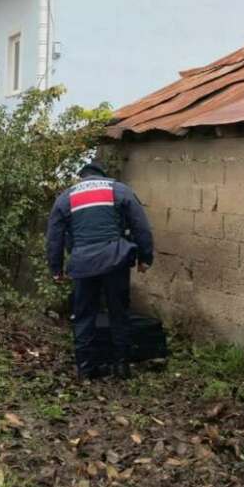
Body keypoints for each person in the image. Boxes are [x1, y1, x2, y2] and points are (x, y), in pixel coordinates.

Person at [46, 161, 154, 380]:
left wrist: (56, 268)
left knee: (84, 315)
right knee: (119, 312)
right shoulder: (119, 189)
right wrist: (145, 258)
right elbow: (141, 225)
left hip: (83, 264)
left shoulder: (66, 197)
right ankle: (121, 367)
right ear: (101, 175)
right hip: (116, 260)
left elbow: (54, 238)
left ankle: (85, 369)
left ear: (82, 177)